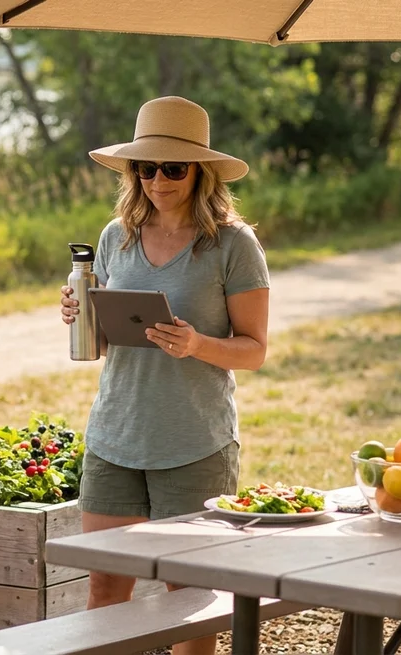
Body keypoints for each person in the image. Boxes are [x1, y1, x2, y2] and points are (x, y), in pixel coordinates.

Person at [59, 96, 270, 655]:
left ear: (201, 171)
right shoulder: (115, 237)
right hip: (115, 440)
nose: (157, 180)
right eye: (145, 167)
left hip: (193, 444)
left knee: (192, 598)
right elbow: (108, 344)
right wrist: (82, 315)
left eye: (173, 167)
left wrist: (198, 343)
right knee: (105, 586)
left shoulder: (233, 245)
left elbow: (254, 351)